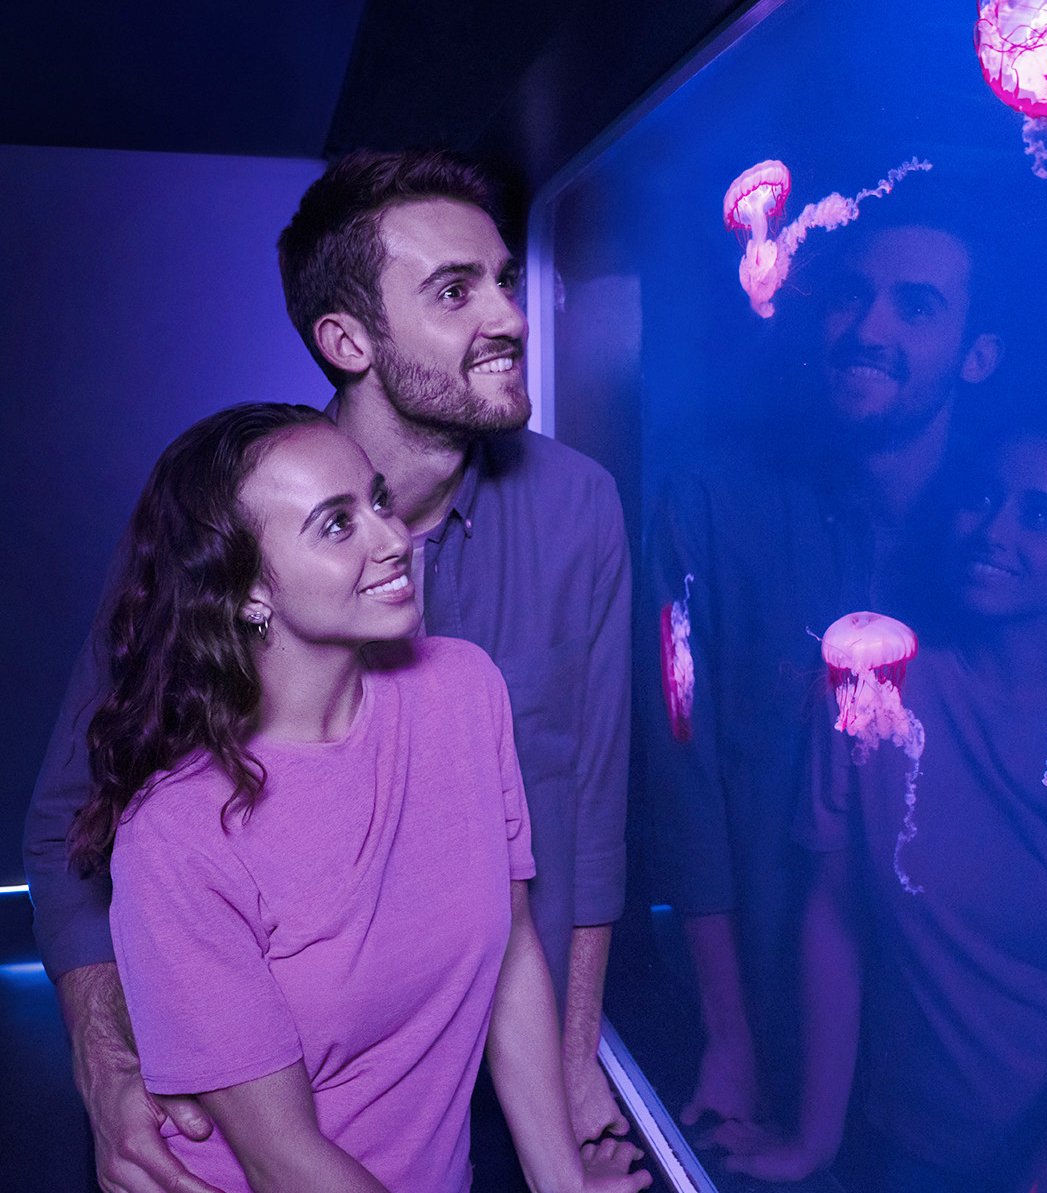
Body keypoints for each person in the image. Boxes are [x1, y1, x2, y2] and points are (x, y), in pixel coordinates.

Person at [23, 150, 635, 1192]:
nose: (510, 316)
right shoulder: (215, 529)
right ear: (346, 339)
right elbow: (78, 821)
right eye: (455, 290)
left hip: (469, 1085)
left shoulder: (566, 522)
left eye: (501, 278)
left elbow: (588, 811)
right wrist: (106, 1062)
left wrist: (577, 1075)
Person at [72, 404, 642, 1192]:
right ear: (245, 593)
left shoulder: (465, 690)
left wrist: (565, 1185)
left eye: (377, 500)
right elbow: (285, 1163)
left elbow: (510, 953)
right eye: (335, 525)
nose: (391, 537)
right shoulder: (174, 835)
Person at [726, 429, 1047, 1191]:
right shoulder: (869, 685)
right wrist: (815, 1138)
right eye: (983, 497)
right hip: (912, 1148)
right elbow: (834, 912)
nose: (995, 530)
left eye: (1039, 515)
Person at [641, 210, 1004, 1132]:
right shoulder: (710, 502)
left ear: (976, 356)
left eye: (915, 307)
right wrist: (728, 1032)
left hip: (957, 1042)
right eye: (852, 296)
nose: (869, 329)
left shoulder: (999, 540)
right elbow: (681, 772)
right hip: (762, 1001)